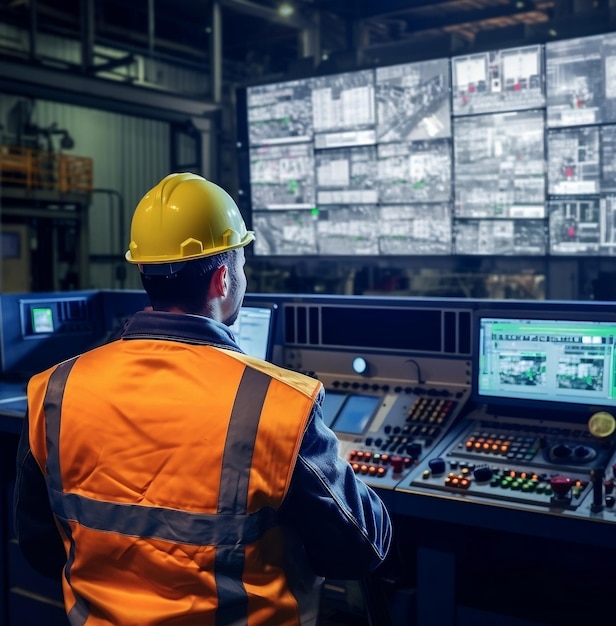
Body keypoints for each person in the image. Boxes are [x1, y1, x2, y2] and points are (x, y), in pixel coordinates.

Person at [14, 172, 392, 625]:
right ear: (221, 280)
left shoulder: (52, 390)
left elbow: (39, 546)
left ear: (143, 270)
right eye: (242, 263)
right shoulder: (279, 405)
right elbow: (361, 549)